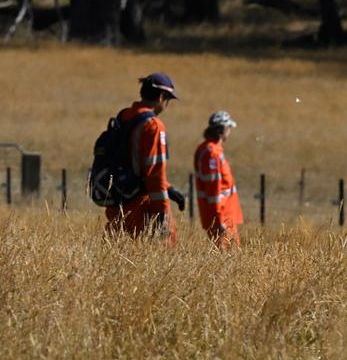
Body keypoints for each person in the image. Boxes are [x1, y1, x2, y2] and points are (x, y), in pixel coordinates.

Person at [104, 72, 186, 243]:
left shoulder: (124, 116)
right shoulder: (153, 126)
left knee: (119, 253)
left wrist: (169, 189)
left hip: (117, 203)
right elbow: (154, 174)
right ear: (161, 97)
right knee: (160, 255)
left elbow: (131, 160)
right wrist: (162, 214)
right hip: (142, 206)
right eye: (168, 100)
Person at [194, 110, 243, 248]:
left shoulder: (208, 149)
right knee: (228, 255)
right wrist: (219, 220)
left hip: (224, 215)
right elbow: (213, 189)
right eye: (229, 127)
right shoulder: (212, 153)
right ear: (222, 129)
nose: (230, 131)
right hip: (221, 217)